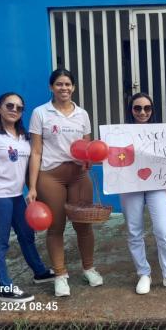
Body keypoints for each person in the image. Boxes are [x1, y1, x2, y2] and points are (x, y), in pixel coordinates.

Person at [27, 68, 103, 297]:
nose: (64, 88)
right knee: (56, 227)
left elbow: (87, 147)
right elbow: (36, 151)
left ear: (74, 87)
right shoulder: (41, 113)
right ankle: (60, 275)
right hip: (51, 176)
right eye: (59, 84)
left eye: (68, 84)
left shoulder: (82, 114)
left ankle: (89, 268)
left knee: (84, 225)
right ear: (51, 87)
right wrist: (31, 186)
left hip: (79, 176)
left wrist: (88, 160)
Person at [0, 92, 54, 303]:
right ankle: (5, 288)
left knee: (27, 235)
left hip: (17, 195)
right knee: (0, 243)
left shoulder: (23, 137)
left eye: (19, 108)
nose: (14, 110)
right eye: (9, 106)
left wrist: (32, 189)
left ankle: (39, 272)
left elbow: (26, 168)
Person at [120, 92, 166, 294]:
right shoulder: (120, 132)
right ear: (130, 110)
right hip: (130, 185)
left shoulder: (163, 131)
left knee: (163, 229)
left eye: (147, 108)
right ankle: (144, 273)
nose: (142, 112)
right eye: (137, 108)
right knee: (134, 230)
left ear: (153, 110)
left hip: (156, 184)